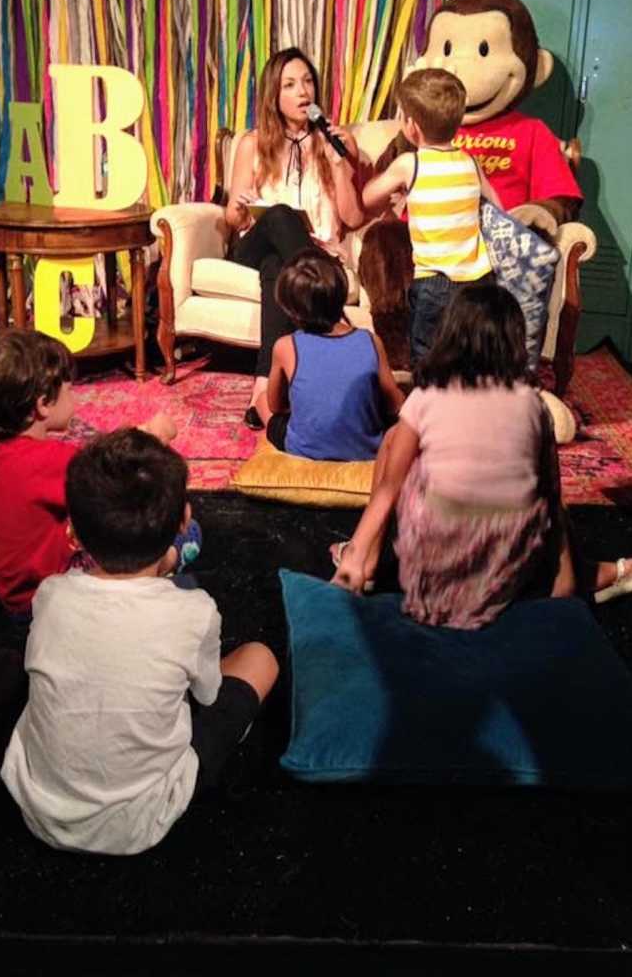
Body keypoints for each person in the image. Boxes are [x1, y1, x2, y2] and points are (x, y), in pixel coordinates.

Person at [2, 428, 279, 855]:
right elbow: (206, 694)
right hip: (143, 818)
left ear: (73, 532)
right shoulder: (195, 611)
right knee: (260, 658)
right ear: (184, 520)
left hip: (38, 807)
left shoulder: (51, 594)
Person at [332, 284, 574, 628]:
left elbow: (389, 488)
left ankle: (365, 559)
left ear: (449, 334)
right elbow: (551, 491)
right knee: (537, 495)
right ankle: (579, 575)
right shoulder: (533, 403)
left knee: (395, 442)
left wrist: (352, 561)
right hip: (508, 570)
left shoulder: (427, 395)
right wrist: (563, 578)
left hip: (432, 570)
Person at [0, 328, 196, 629]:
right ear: (42, 404)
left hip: (14, 598)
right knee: (188, 531)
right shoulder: (46, 460)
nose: (74, 398)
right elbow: (115, 468)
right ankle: (163, 567)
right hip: (47, 601)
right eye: (69, 390)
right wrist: (154, 434)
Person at [226, 48, 363, 428]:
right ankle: (331, 306)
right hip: (253, 245)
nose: (303, 91)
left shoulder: (333, 142)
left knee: (277, 268)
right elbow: (231, 218)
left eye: (307, 81)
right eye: (290, 84)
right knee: (281, 215)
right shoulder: (253, 144)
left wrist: (341, 166)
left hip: (294, 257)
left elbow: (353, 217)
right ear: (274, 94)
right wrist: (239, 205)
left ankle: (261, 392)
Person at [361, 68, 502, 362]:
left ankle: (428, 401)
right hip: (478, 280)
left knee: (426, 356)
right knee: (468, 355)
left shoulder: (409, 163)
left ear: (412, 127)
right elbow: (498, 208)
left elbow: (368, 198)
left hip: (434, 282)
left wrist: (394, 190)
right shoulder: (470, 161)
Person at [258, 248, 403, 459]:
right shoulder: (370, 340)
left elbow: (275, 405)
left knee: (262, 400)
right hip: (366, 449)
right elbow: (395, 404)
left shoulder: (285, 346)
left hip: (304, 449)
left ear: (291, 309)